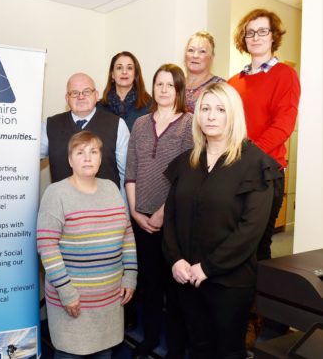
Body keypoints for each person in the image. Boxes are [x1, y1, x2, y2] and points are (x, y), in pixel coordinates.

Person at [162, 82, 280, 358]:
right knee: (198, 347)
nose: (211, 116)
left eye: (219, 109)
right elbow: (171, 215)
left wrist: (208, 268)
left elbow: (251, 230)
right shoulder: (187, 161)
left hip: (229, 281)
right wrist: (175, 259)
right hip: (187, 276)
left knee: (227, 351)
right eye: (205, 109)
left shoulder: (256, 163)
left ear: (233, 115)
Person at [228, 8, 301, 347]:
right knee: (235, 245)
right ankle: (240, 312)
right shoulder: (233, 82)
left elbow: (283, 125)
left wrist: (248, 157)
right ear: (244, 39)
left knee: (258, 247)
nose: (256, 37)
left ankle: (263, 319)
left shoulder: (285, 74)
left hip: (266, 174)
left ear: (274, 36)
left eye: (263, 31)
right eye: (250, 32)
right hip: (234, 175)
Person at [37, 130, 137, 358]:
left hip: (109, 303)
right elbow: (47, 246)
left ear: (101, 158)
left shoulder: (111, 189)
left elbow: (127, 235)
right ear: (70, 160)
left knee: (105, 354)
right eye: (80, 152)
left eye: (93, 151)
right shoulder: (56, 193)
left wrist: (130, 275)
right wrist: (66, 292)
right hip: (73, 304)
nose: (88, 157)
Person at [125, 64, 193, 358]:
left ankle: (177, 346)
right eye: (159, 84)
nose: (164, 90)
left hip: (174, 220)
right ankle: (150, 337)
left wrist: (163, 213)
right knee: (150, 284)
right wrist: (135, 211)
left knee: (175, 287)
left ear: (179, 90)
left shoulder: (190, 123)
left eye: (170, 85)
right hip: (141, 219)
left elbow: (188, 176)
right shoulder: (140, 123)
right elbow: (130, 171)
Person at [40, 73, 130, 198]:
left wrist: (123, 211)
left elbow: (126, 174)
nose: (81, 97)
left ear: (96, 95)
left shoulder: (118, 125)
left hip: (105, 209)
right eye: (74, 93)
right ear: (67, 98)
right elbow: (28, 161)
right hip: (64, 208)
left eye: (87, 91)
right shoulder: (49, 126)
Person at [97, 51, 153, 131]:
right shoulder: (99, 107)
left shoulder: (150, 106)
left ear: (135, 74)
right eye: (119, 68)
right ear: (112, 74)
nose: (124, 72)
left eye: (129, 68)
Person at [184, 31, 225, 113]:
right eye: (191, 50)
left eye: (202, 51)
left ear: (212, 57)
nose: (195, 55)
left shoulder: (220, 86)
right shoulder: (174, 84)